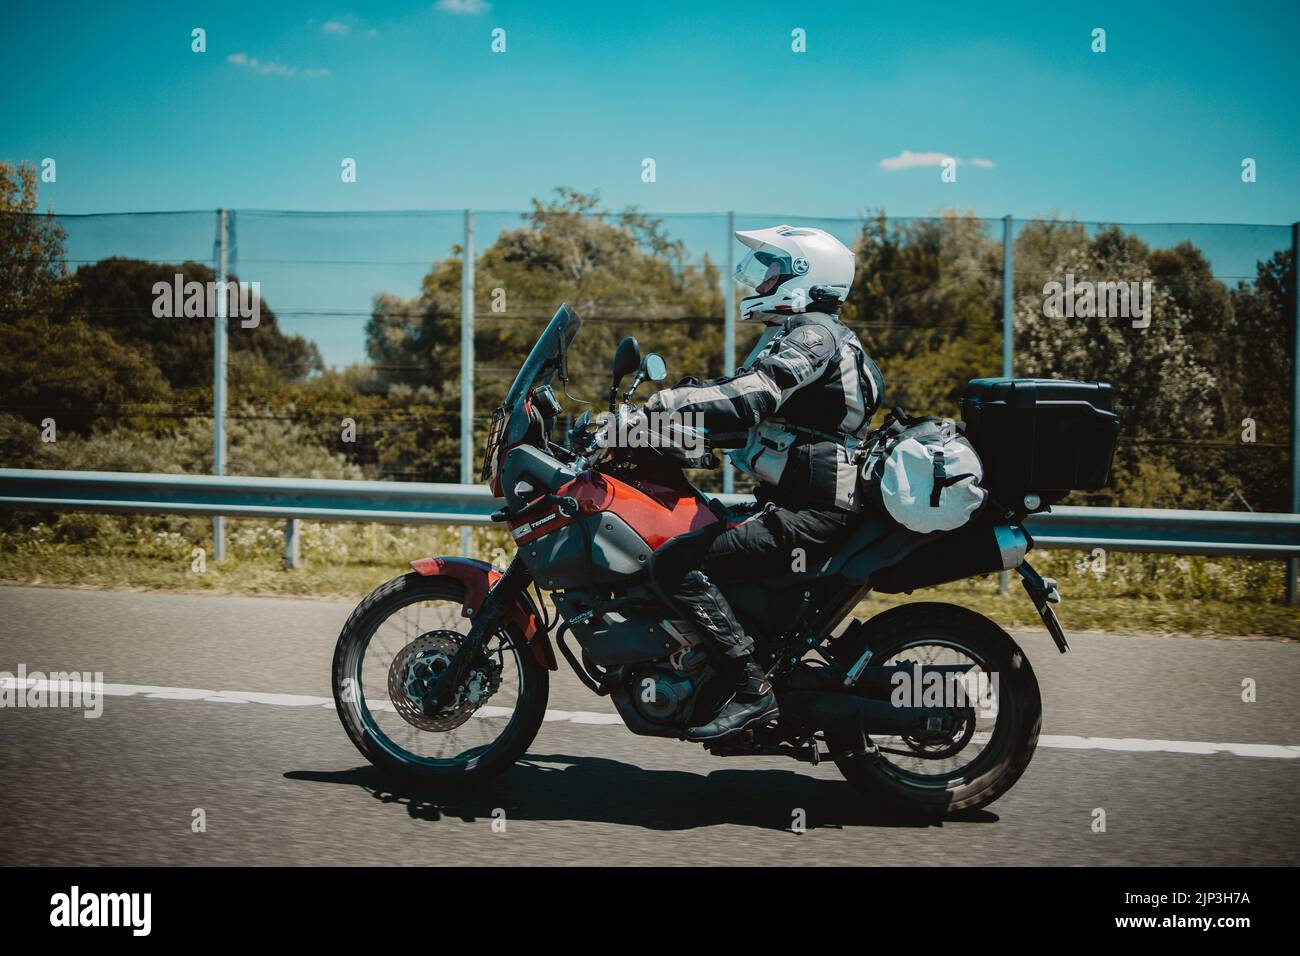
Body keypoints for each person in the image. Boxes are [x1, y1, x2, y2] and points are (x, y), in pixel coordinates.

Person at [640, 225, 886, 741]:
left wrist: (666, 403)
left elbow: (752, 397)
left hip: (811, 514)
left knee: (674, 564)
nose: (761, 281)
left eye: (773, 270)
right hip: (798, 505)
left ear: (805, 276)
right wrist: (651, 433)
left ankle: (751, 689)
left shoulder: (813, 334)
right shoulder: (802, 333)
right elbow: (745, 422)